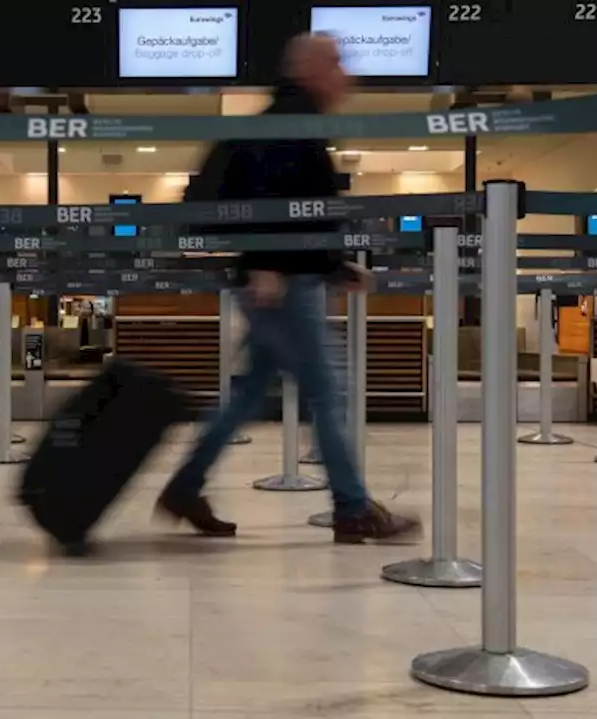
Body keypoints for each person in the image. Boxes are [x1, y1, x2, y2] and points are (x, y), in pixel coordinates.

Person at [155, 34, 421, 544]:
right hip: (281, 282)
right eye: (337, 63)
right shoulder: (288, 122)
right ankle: (353, 508)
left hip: (286, 275)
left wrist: (334, 265)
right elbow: (268, 199)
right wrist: (267, 264)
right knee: (327, 389)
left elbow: (302, 210)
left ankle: (185, 486)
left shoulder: (295, 121)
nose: (347, 74)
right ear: (309, 69)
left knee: (251, 389)